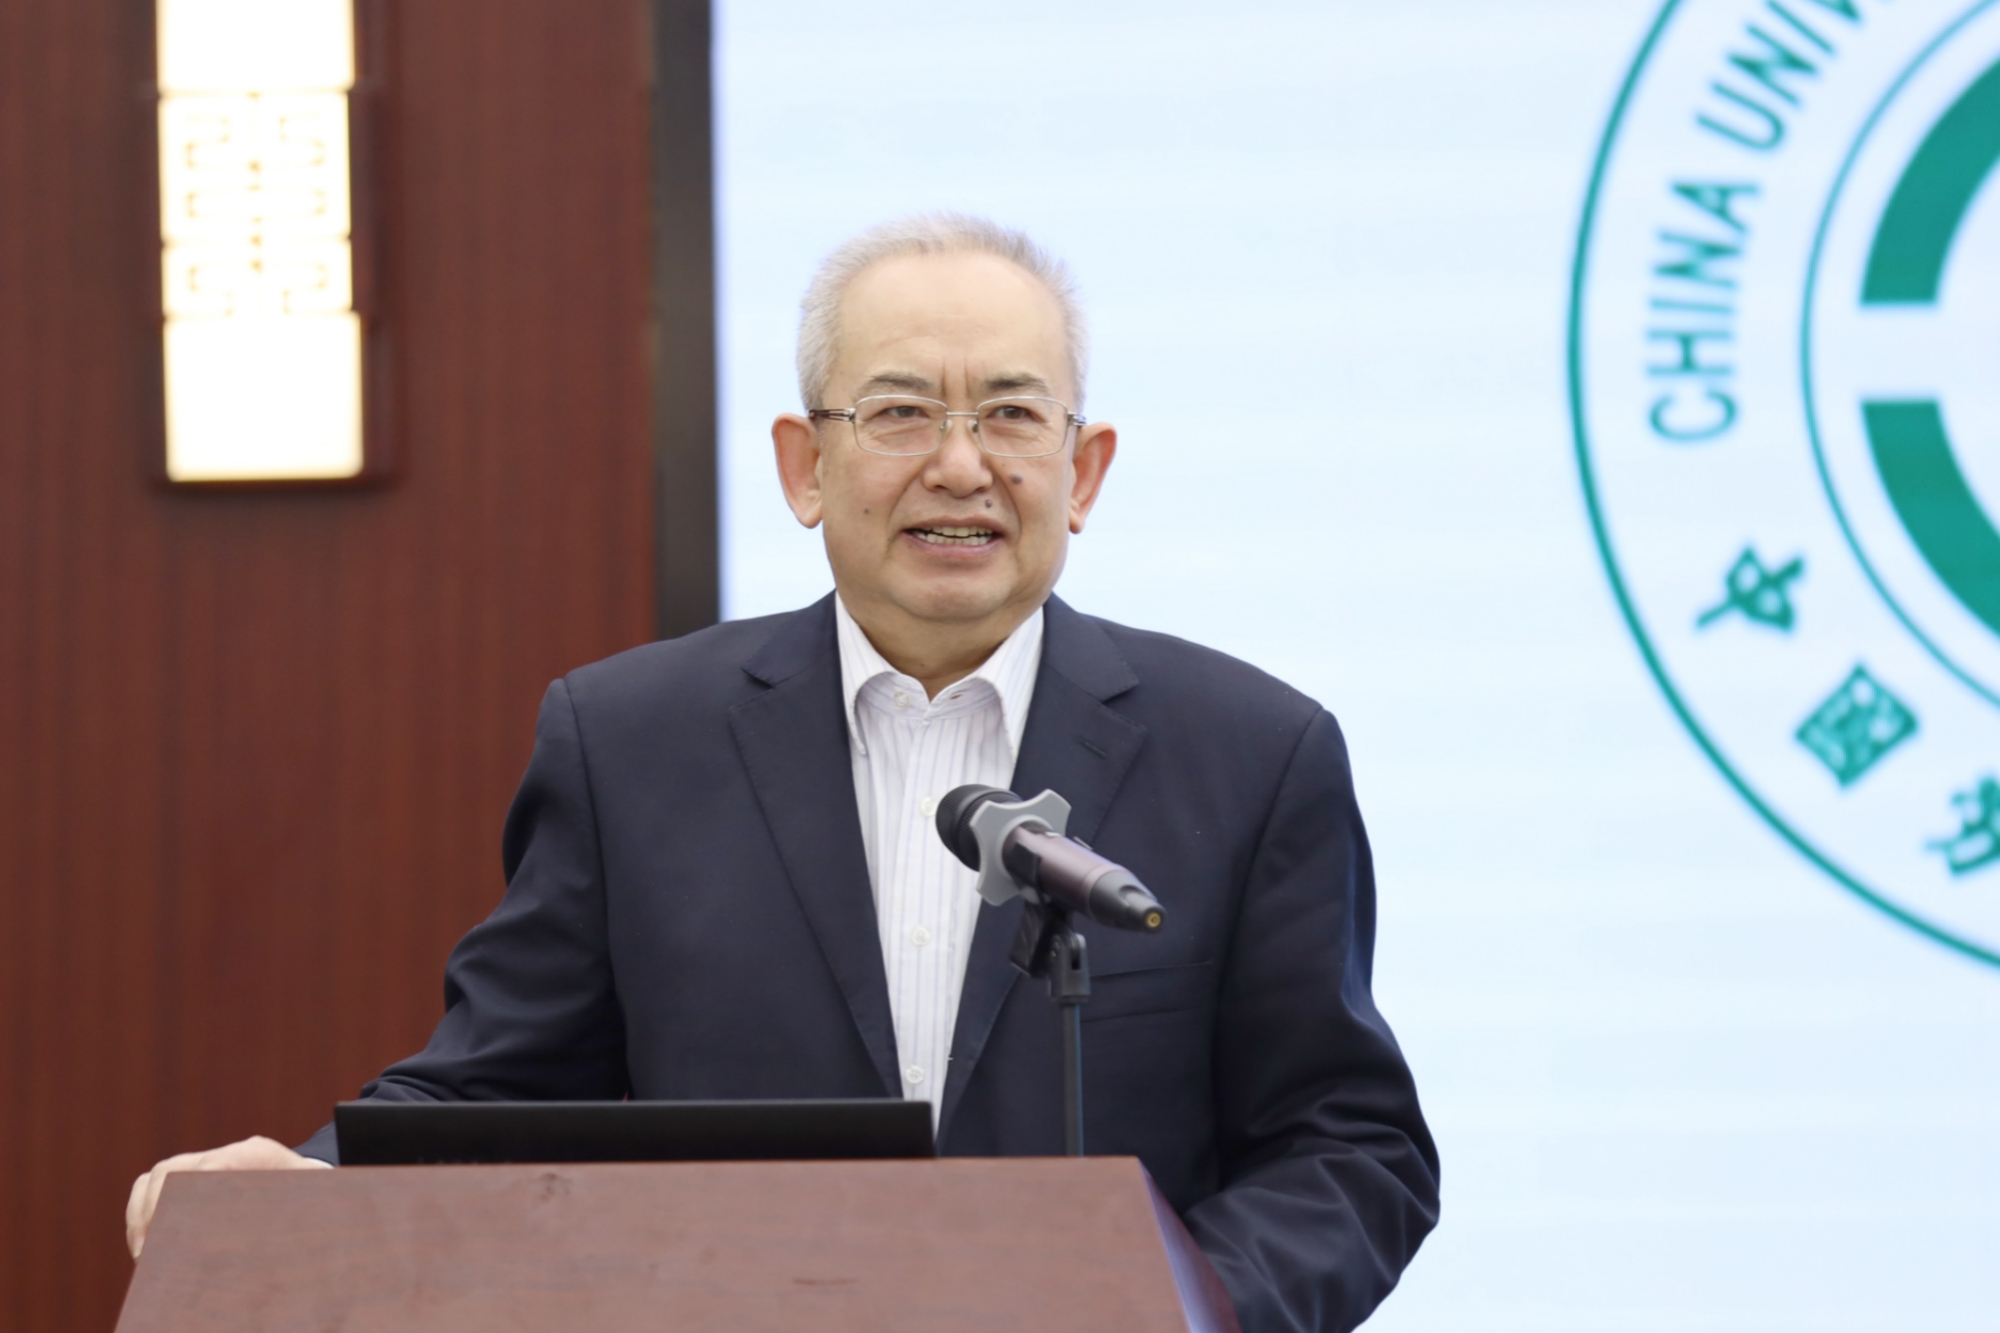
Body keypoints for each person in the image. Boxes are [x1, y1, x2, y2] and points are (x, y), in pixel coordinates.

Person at [125, 214, 1440, 1332]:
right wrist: (303, 1188)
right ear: (805, 467)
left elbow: (1348, 1148)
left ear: (1081, 471)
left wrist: (1176, 1308)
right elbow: (497, 1089)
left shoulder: (1253, 752)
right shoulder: (630, 742)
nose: (962, 465)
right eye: (901, 412)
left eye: (1011, 414)